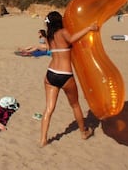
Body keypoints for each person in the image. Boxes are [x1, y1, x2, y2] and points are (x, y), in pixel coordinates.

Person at [40, 11, 96, 147]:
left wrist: (42, 36)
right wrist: (88, 28)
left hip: (51, 73)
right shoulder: (63, 32)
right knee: (75, 105)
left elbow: (48, 49)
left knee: (49, 109)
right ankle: (83, 132)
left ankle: (43, 140)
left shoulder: (50, 36)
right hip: (65, 75)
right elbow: (72, 39)